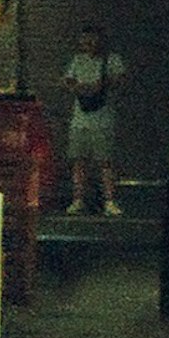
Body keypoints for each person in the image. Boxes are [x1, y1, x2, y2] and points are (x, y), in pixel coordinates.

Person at [59, 26, 125, 214]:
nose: (88, 43)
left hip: (103, 121)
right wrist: (80, 87)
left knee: (105, 162)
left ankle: (109, 201)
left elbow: (119, 79)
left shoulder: (111, 60)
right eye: (84, 39)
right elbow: (66, 80)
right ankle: (78, 199)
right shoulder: (77, 60)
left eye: (92, 39)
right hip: (79, 121)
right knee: (78, 161)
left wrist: (100, 85)